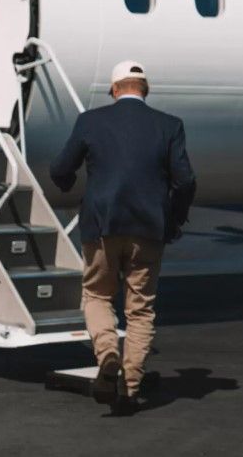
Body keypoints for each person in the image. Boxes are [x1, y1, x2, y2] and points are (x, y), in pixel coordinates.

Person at [50, 60, 195, 414]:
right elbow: (186, 181)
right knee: (140, 309)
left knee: (97, 295)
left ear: (114, 90)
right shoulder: (169, 125)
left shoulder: (92, 121)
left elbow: (59, 170)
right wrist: (173, 220)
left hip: (101, 226)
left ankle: (108, 354)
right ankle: (129, 390)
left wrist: (70, 185)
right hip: (148, 228)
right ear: (144, 90)